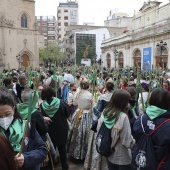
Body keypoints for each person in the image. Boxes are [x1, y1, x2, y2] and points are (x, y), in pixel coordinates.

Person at [0, 91, 47, 170]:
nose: (3, 118)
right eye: (0, 116)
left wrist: (25, 158)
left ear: (14, 109)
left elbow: (42, 150)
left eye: (7, 114)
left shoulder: (26, 127)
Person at [97, 89, 135, 170]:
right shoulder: (123, 117)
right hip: (122, 157)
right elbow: (127, 141)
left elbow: (98, 129)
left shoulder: (105, 112)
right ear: (123, 102)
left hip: (109, 153)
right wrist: (136, 145)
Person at [133, 88, 170, 169]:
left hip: (142, 163)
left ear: (151, 100)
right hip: (162, 165)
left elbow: (136, 136)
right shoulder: (168, 124)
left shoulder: (141, 119)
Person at [84, 81, 114, 170]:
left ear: (105, 87)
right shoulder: (115, 96)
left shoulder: (102, 97)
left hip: (103, 120)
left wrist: (93, 104)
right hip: (113, 120)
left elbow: (98, 111)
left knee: (101, 139)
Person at [40, 86, 70, 170]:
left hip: (50, 130)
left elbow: (42, 118)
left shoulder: (42, 105)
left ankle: (51, 165)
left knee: (51, 148)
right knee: (62, 147)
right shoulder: (60, 102)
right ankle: (64, 166)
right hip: (62, 128)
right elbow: (67, 114)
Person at [68, 78, 93, 160]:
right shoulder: (89, 95)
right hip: (87, 114)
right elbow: (92, 107)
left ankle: (74, 152)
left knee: (76, 131)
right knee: (85, 134)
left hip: (78, 112)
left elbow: (74, 103)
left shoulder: (77, 94)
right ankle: (84, 154)